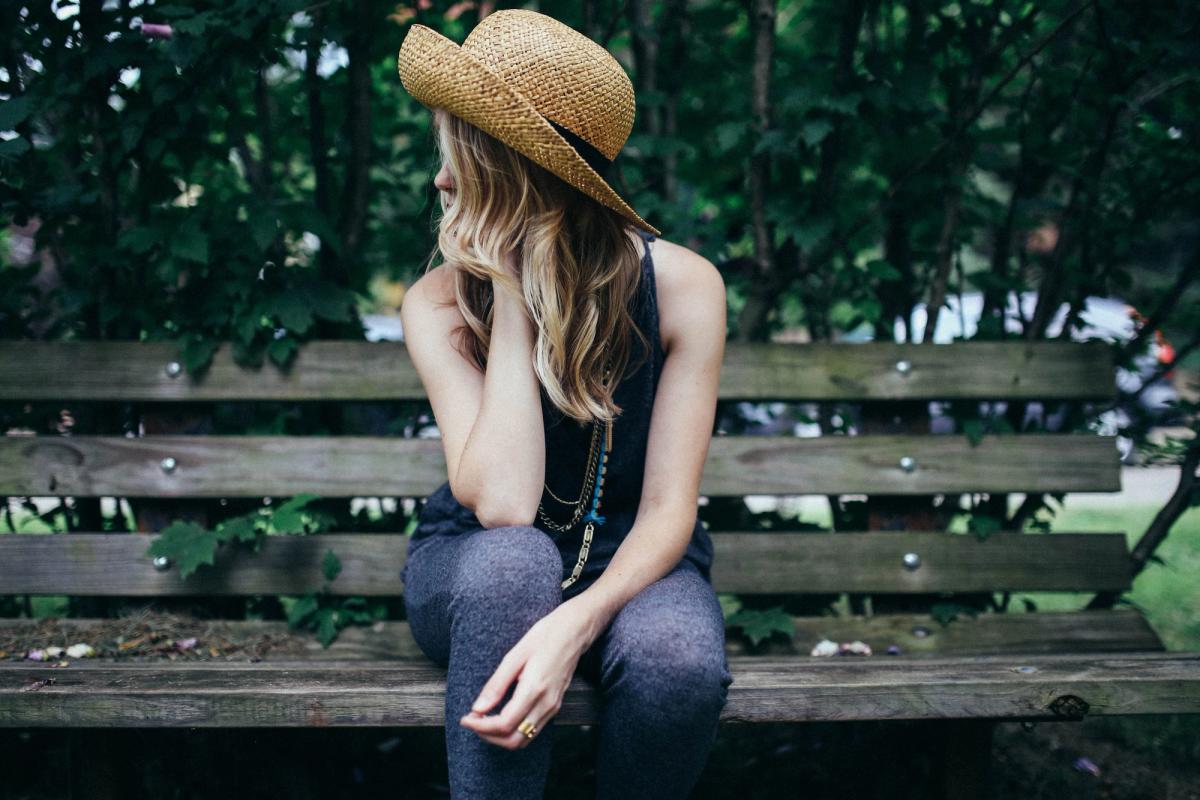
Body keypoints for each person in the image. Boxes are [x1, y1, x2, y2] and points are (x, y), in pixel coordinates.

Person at [395, 9, 732, 798]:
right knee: (518, 562)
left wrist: (578, 620)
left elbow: (668, 512)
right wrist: (514, 291)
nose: (441, 180)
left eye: (460, 155)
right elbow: (506, 507)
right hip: (474, 566)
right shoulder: (437, 304)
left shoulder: (685, 290)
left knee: (677, 663)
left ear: (515, 173)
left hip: (633, 561)